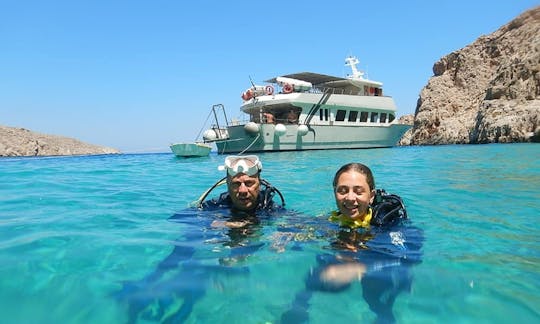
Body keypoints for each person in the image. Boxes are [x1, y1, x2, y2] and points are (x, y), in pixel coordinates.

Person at [116, 155, 286, 323]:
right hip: (219, 242)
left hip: (249, 245)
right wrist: (217, 222)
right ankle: (149, 280)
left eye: (249, 183)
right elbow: (180, 217)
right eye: (236, 184)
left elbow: (303, 225)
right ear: (227, 185)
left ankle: (238, 294)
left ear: (259, 183)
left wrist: (284, 234)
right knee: (188, 239)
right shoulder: (217, 206)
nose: (242, 191)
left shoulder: (269, 208)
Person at [281, 163, 423, 324]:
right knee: (314, 276)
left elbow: (410, 256)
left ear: (371, 196)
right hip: (347, 255)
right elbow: (303, 225)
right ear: (335, 193)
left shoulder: (388, 223)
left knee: (373, 297)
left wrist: (360, 268)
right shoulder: (333, 220)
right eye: (342, 190)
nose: (349, 197)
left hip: (378, 264)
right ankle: (297, 311)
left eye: (358, 191)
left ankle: (385, 316)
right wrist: (286, 232)